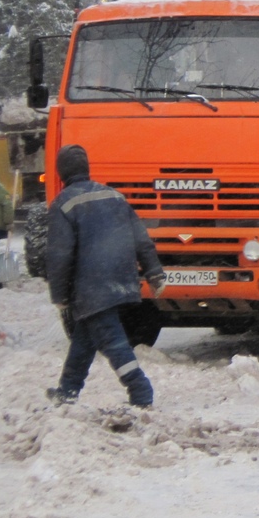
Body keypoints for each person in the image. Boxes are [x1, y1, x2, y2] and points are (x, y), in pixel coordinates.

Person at [45, 144, 166, 407]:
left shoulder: (63, 204)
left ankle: (141, 391)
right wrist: (154, 272)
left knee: (113, 342)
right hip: (122, 280)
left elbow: (59, 256)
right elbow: (140, 239)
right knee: (84, 338)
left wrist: (60, 294)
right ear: (86, 168)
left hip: (91, 285)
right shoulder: (114, 197)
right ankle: (67, 390)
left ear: (61, 173)